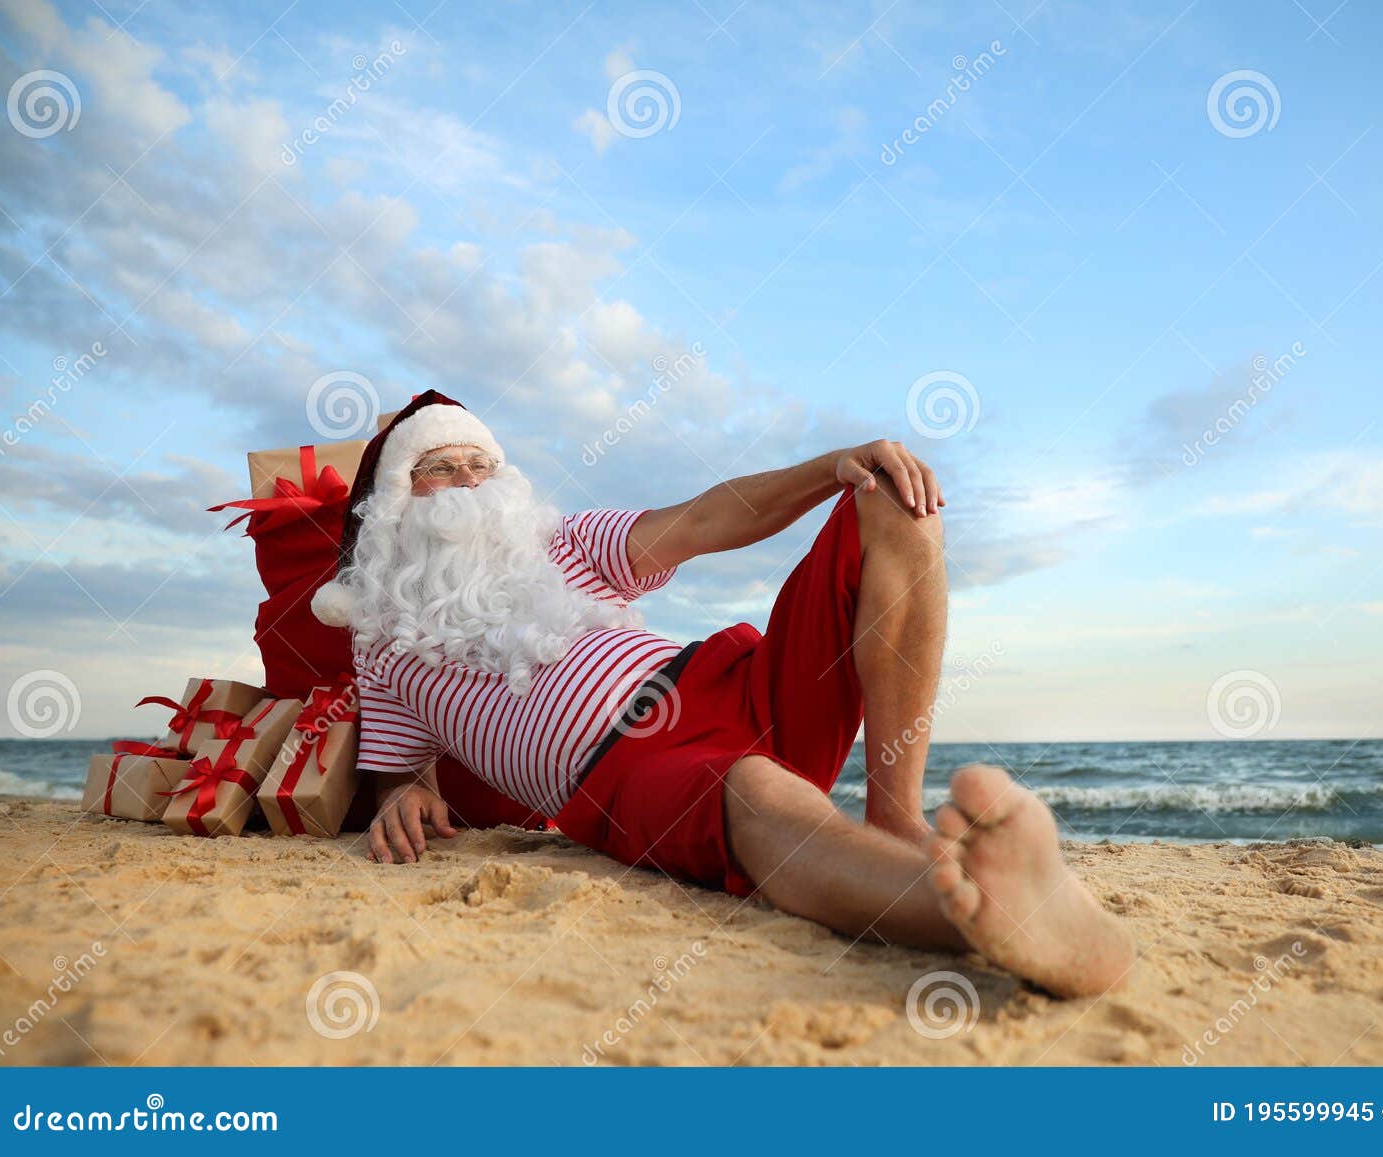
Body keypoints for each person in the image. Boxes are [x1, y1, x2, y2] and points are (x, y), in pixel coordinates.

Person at [312, 390, 1133, 998]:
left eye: (479, 464)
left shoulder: (560, 542)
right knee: (756, 787)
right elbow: (400, 774)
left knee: (892, 505)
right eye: (438, 468)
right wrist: (401, 798)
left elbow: (707, 518)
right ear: (393, 503)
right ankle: (982, 910)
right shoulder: (382, 640)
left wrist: (831, 468)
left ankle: (896, 817)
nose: (465, 482)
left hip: (731, 681)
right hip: (628, 771)